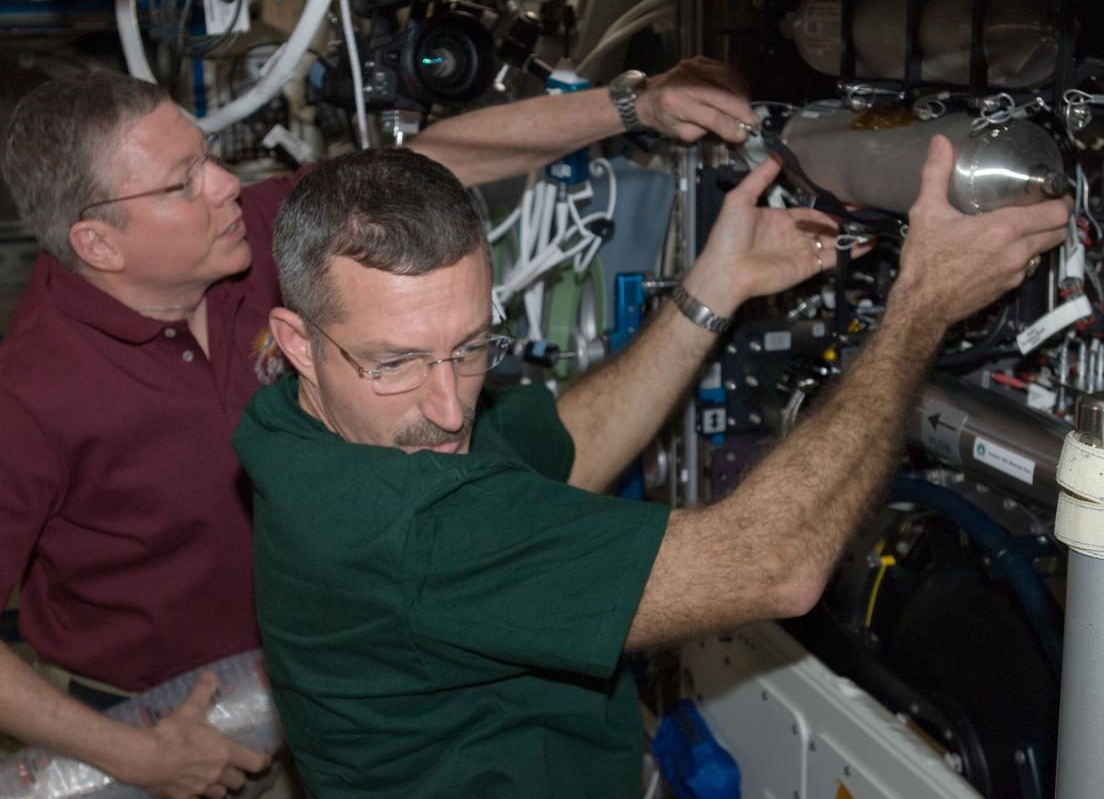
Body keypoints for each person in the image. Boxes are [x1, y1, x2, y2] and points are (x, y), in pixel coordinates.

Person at [0, 60, 756, 799]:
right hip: (176, 728)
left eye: (208, 158)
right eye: (181, 183)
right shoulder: (13, 404)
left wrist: (634, 105)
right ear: (99, 243)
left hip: (351, 694)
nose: (226, 185)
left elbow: (428, 165)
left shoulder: (256, 242)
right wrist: (138, 754)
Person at [233, 143, 1069, 798]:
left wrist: (714, 286)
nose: (449, 407)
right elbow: (773, 566)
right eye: (399, 363)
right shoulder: (396, 526)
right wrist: (920, 305)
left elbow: (565, 441)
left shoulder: (309, 423)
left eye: (469, 348)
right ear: (297, 341)